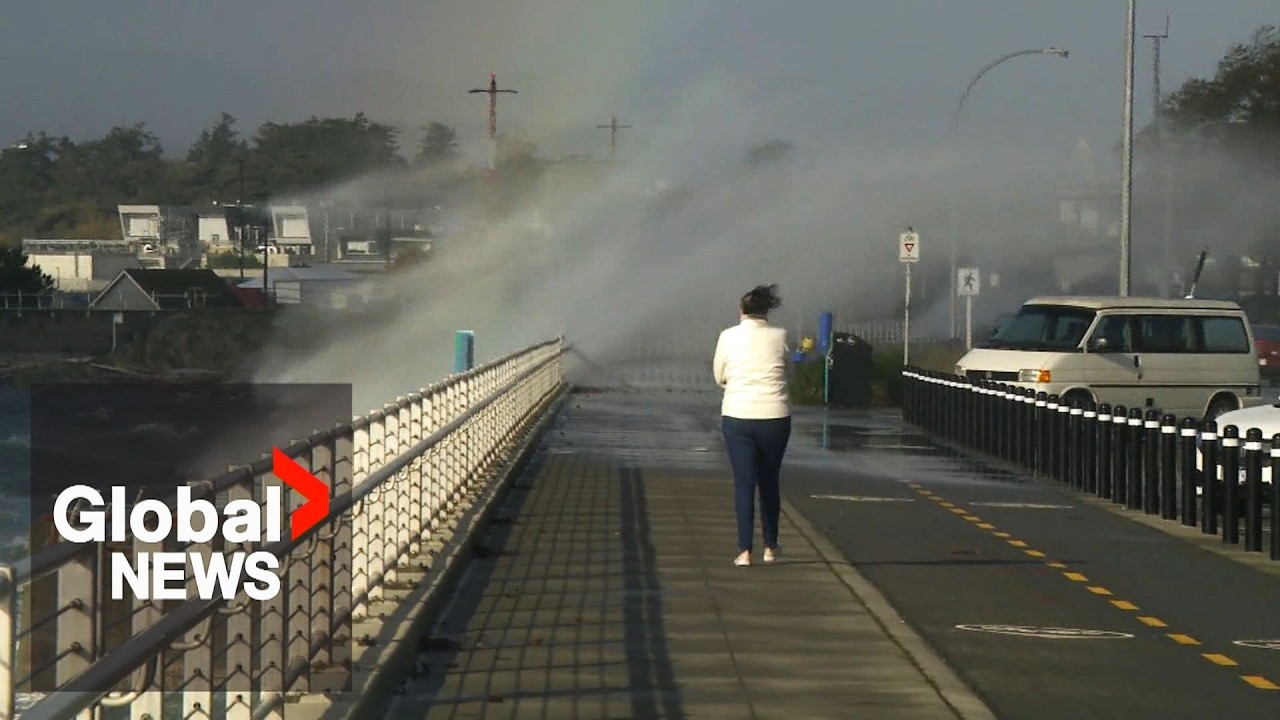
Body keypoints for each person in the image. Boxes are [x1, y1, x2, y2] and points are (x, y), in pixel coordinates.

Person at [712, 284, 791, 567]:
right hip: (775, 416)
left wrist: (733, 383)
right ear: (766, 311)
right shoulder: (780, 336)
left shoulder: (728, 336)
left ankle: (744, 551)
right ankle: (771, 546)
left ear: (742, 311)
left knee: (744, 483)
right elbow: (787, 371)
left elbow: (719, 374)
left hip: (738, 416)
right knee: (770, 481)